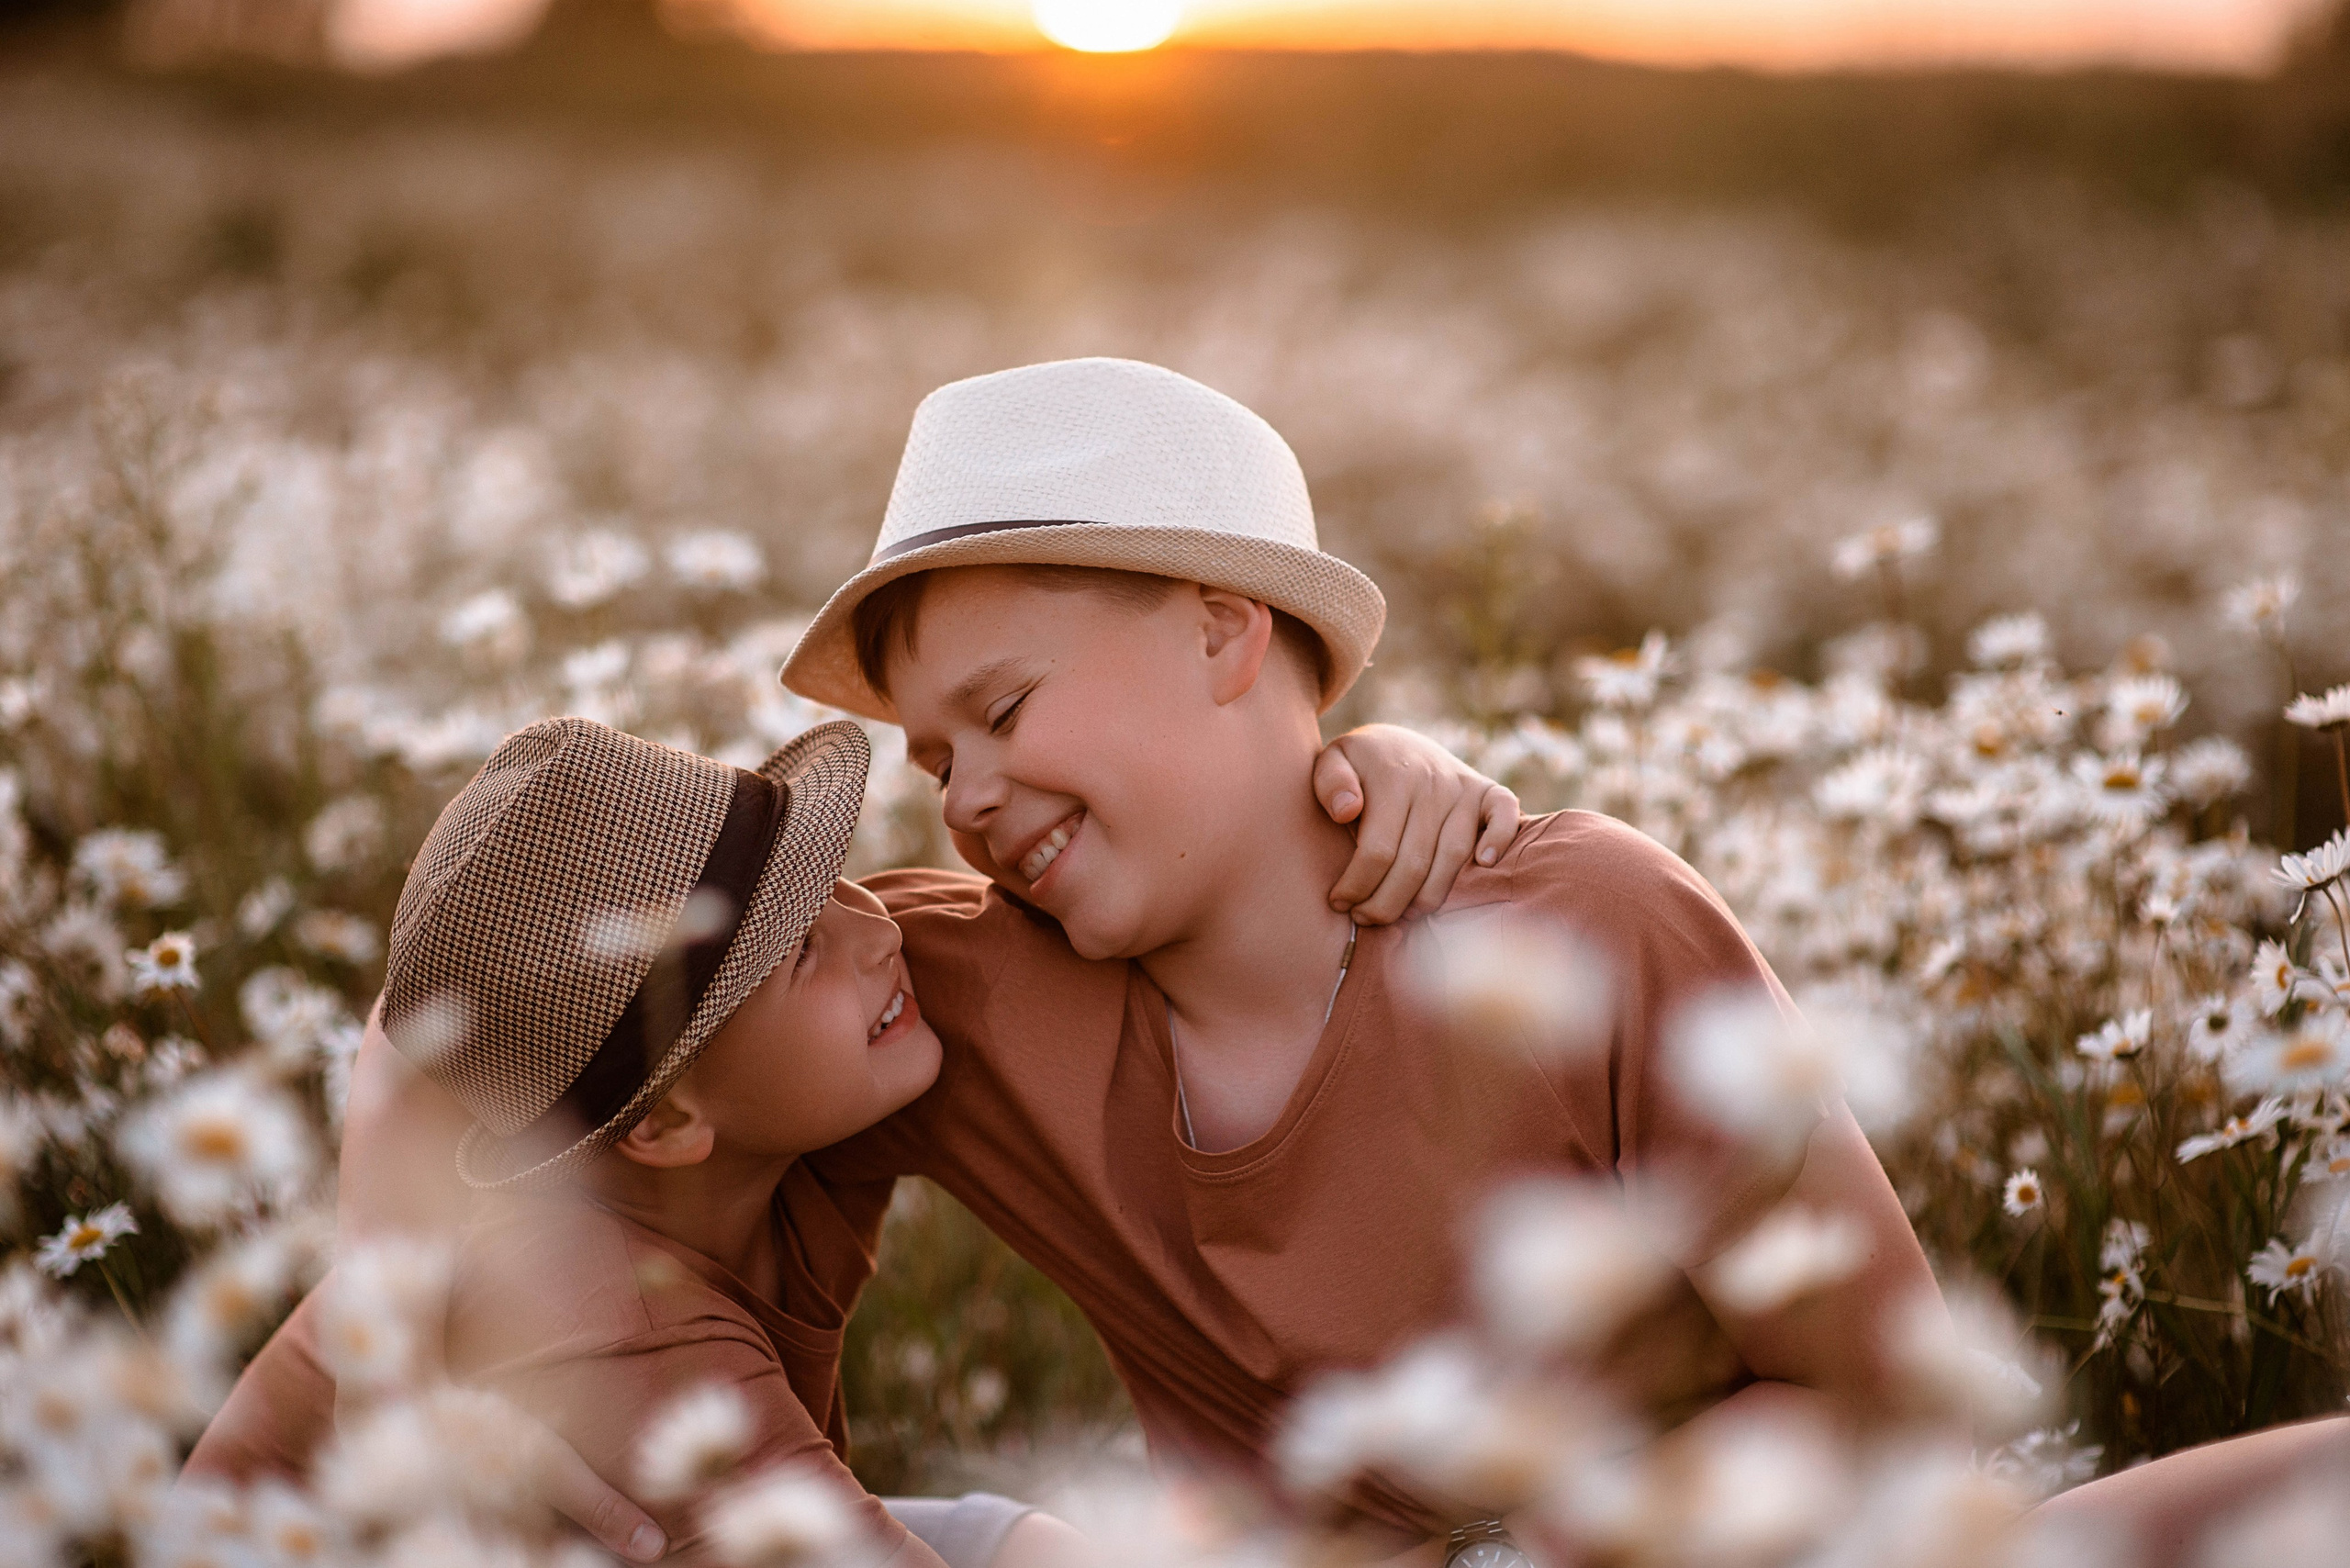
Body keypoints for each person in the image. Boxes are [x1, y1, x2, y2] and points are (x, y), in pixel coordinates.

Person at [342, 359, 1944, 1564]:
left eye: (1005, 711)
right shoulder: (940, 990)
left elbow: (1887, 1396)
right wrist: (405, 1310)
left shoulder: (1590, 929)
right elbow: (512, 1005)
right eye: (934, 758)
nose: (966, 798)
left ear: (1222, 629)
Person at [183, 717, 1091, 1568]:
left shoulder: (736, 1109)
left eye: (834, 878)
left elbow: (401, 1022)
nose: (881, 929)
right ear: (664, 1123)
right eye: (803, 950)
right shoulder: (632, 1336)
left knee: (1034, 1546)